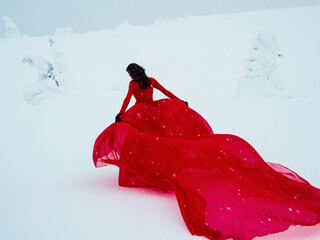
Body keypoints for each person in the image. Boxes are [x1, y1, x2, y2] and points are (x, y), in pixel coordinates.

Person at [93, 63, 320, 240]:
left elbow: (127, 100)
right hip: (152, 110)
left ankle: (155, 170)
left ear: (132, 75)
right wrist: (177, 101)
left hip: (142, 113)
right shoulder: (150, 81)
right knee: (160, 140)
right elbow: (164, 90)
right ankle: (159, 168)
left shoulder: (134, 86)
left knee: (150, 142)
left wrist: (121, 115)